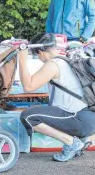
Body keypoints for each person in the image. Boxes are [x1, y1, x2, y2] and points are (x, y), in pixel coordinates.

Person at [19, 33, 95, 162]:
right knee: (48, 111)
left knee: (28, 117)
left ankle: (71, 143)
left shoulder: (53, 64)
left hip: (78, 118)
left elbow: (28, 87)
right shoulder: (66, 59)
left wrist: (22, 60)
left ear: (39, 52)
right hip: (88, 117)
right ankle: (82, 139)